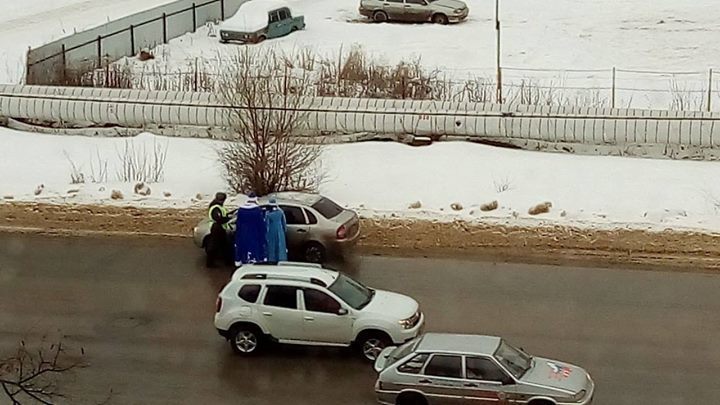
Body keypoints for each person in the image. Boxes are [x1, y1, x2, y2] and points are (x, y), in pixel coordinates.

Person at [234, 193, 267, 266]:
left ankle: (243, 262)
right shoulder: (257, 210)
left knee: (243, 250)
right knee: (254, 251)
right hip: (254, 234)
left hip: (243, 234)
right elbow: (261, 225)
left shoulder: (241, 210)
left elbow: (238, 224)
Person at [206, 192, 232, 267]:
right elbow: (218, 219)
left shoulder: (217, 207)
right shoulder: (216, 208)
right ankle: (210, 263)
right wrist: (228, 219)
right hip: (217, 228)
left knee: (223, 245)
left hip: (219, 228)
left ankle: (227, 262)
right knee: (217, 246)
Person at [265, 198, 288, 262]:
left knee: (272, 245)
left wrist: (266, 234)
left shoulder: (268, 213)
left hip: (271, 231)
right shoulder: (280, 212)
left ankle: (272, 259)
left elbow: (267, 225)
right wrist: (284, 230)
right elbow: (284, 223)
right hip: (280, 230)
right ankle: (281, 258)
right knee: (280, 245)